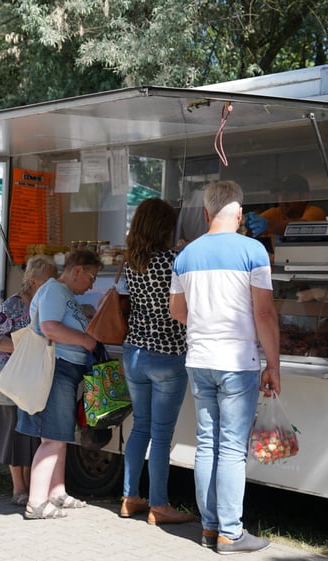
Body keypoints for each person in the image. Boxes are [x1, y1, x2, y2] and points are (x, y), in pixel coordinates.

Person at [170, 180, 281, 554]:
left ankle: (209, 527)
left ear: (205, 214)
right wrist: (273, 365)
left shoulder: (184, 256)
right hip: (237, 362)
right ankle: (231, 533)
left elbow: (177, 311)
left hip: (199, 359)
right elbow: (264, 313)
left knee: (207, 444)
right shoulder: (253, 250)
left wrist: (206, 325)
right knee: (232, 448)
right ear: (238, 213)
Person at [119, 198, 194, 525]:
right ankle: (160, 504)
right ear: (165, 228)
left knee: (140, 428)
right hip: (167, 355)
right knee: (162, 435)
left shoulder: (131, 261)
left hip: (134, 353)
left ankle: (130, 497)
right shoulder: (175, 260)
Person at [16, 249, 101, 519]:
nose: (92, 285)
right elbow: (49, 327)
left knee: (59, 437)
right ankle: (37, 502)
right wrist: (85, 340)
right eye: (91, 276)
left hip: (63, 370)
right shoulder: (55, 290)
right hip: (58, 370)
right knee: (52, 438)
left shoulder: (60, 293)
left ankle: (57, 492)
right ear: (77, 270)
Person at [0, 255, 57, 506]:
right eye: (49, 279)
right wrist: (24, 348)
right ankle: (18, 487)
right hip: (12, 377)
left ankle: (30, 483)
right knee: (14, 432)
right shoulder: (14, 305)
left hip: (33, 376)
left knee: (30, 433)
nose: (53, 284)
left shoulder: (45, 304)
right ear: (34, 281)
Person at [245, 174, 326, 237]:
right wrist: (247, 224)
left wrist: (267, 225)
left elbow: (302, 227)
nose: (283, 199)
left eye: (288, 194)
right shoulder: (275, 213)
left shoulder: (315, 213)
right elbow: (249, 234)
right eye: (280, 194)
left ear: (304, 197)